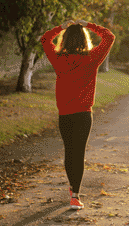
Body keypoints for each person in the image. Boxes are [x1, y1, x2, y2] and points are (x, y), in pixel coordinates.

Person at [40, 19, 115, 210]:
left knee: (69, 151)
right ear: (84, 39)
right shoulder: (92, 58)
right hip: (83, 115)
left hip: (65, 114)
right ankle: (75, 195)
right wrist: (89, 25)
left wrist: (61, 27)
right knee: (78, 153)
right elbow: (109, 37)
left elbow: (44, 39)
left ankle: (73, 187)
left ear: (64, 40)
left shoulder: (58, 59)